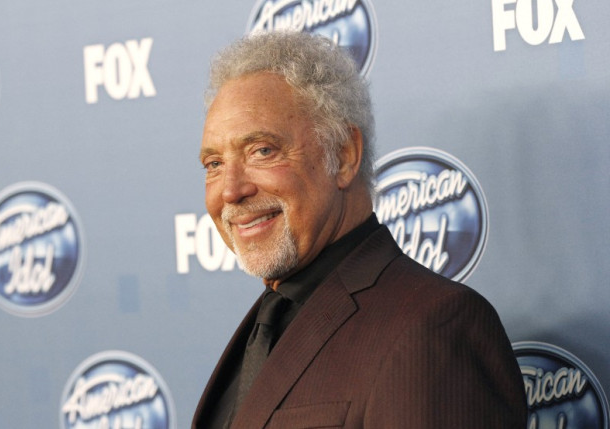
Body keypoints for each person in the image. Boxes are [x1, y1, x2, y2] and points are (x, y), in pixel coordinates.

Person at [192, 31, 526, 428]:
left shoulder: (432, 328)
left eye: (262, 151)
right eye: (213, 164)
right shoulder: (267, 321)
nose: (231, 190)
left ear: (345, 156)